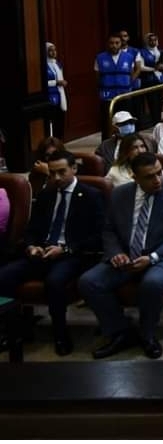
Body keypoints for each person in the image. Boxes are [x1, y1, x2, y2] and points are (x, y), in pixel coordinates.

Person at [78, 152, 163, 360]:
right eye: (149, 176)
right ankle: (119, 331)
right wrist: (115, 253)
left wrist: (152, 257)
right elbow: (109, 229)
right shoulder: (120, 194)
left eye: (159, 172)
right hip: (127, 256)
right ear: (135, 177)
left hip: (162, 257)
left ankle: (147, 335)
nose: (157, 179)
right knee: (89, 282)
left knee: (152, 283)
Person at [0, 151, 104, 356]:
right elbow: (32, 229)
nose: (56, 177)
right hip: (43, 252)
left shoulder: (91, 195)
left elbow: (98, 235)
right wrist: (31, 246)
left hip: (73, 254)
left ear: (74, 169)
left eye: (61, 172)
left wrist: (66, 249)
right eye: (52, 173)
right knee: (4, 276)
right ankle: (13, 331)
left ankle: (60, 334)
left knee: (55, 282)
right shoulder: (46, 194)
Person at [94, 32, 141, 141]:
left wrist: (128, 84)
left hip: (124, 94)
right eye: (111, 43)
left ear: (121, 43)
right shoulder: (100, 57)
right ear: (107, 44)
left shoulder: (129, 57)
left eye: (117, 43)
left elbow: (131, 73)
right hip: (107, 95)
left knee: (126, 122)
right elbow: (97, 76)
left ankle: (128, 144)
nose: (114, 45)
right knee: (107, 123)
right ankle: (107, 145)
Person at [45, 42, 69, 139]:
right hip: (50, 96)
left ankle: (59, 141)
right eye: (50, 50)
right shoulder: (43, 65)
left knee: (60, 121)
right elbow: (42, 84)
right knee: (52, 122)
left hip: (60, 95)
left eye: (55, 50)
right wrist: (56, 83)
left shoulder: (57, 64)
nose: (53, 52)